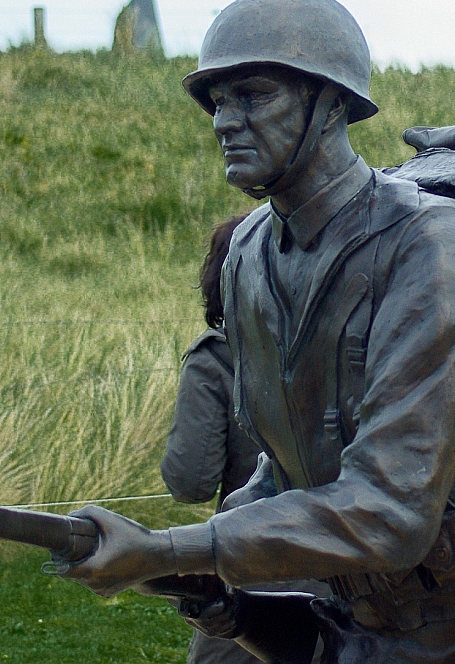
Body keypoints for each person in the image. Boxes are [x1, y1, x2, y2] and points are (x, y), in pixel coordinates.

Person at [60, 0, 455, 663]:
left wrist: (173, 548)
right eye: (216, 102)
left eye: (253, 95)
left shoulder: (432, 251)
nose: (225, 121)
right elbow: (283, 474)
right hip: (359, 628)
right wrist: (203, 565)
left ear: (333, 103)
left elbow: (391, 513)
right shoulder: (248, 256)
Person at [162, 213, 267, 664]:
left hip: (257, 569)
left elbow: (191, 481)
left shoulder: (216, 360)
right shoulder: (349, 345)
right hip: (364, 568)